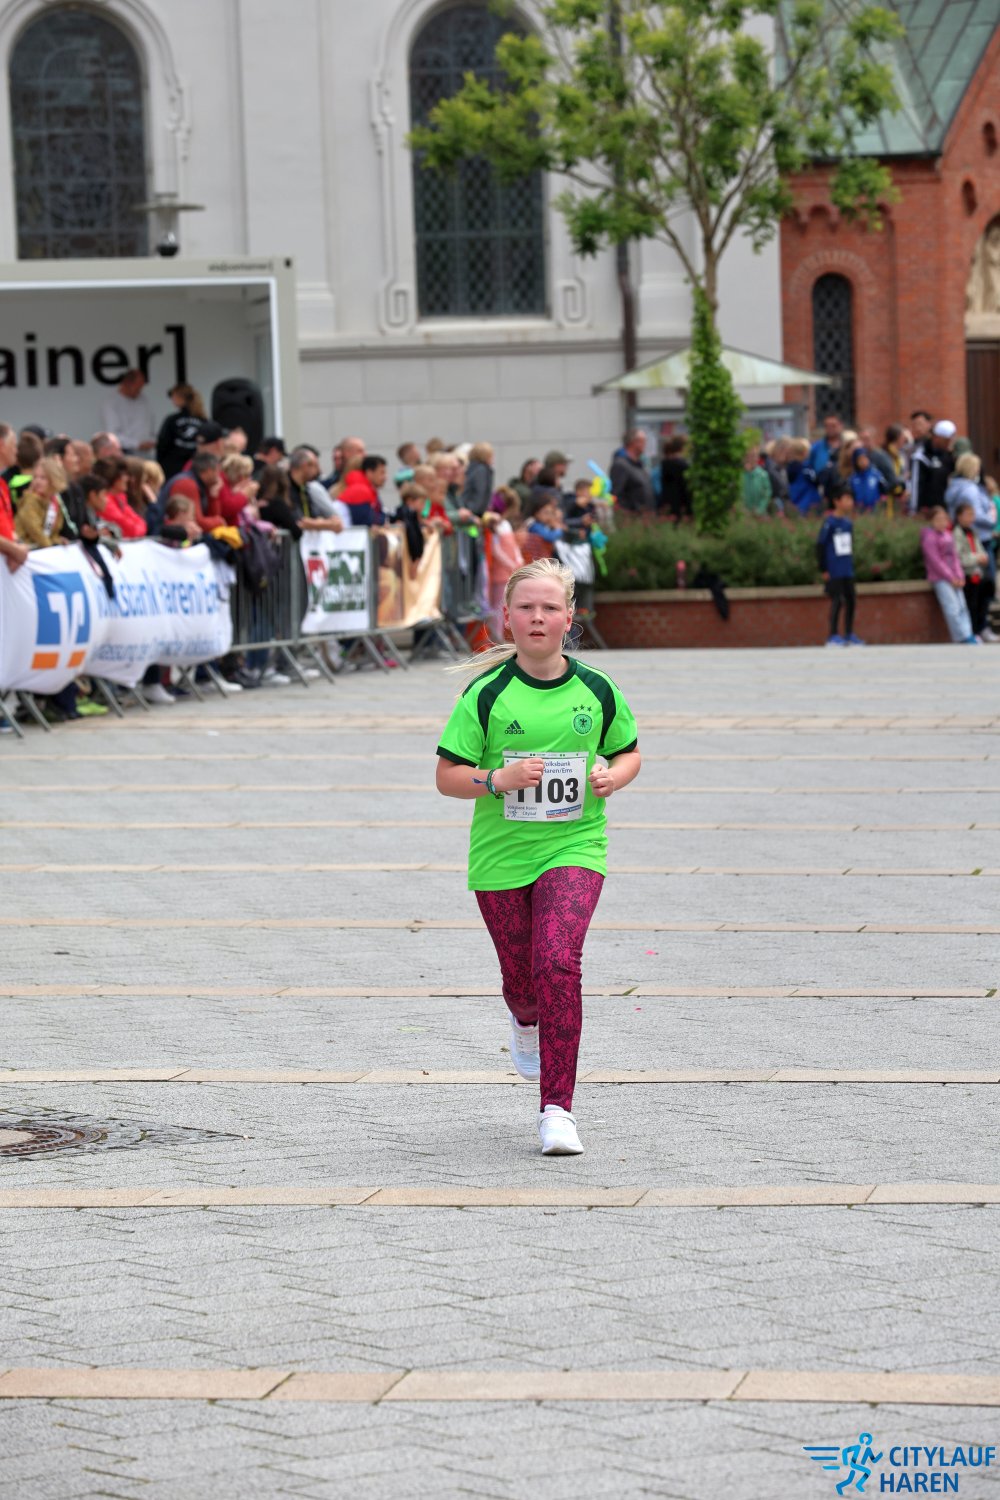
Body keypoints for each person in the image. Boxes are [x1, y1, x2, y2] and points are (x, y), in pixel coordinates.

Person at [434, 556, 641, 1156]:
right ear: (507, 617)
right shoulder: (487, 694)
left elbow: (629, 752)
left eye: (550, 607)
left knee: (557, 962)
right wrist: (497, 779)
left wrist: (613, 777)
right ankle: (523, 1018)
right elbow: (447, 777)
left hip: (575, 845)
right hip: (501, 857)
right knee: (523, 983)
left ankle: (558, 1111)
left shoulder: (598, 689)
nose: (538, 617)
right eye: (526, 607)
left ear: (569, 618)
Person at [921, 507, 976, 644]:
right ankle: (961, 637)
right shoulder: (929, 538)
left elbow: (955, 558)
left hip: (955, 578)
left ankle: (969, 633)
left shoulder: (948, 535)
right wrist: (951, 577)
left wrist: (960, 576)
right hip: (941, 578)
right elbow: (935, 562)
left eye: (944, 519)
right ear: (931, 521)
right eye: (937, 519)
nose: (941, 522)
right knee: (952, 608)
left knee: (962, 607)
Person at [816, 483, 862, 646]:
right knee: (838, 600)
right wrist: (824, 569)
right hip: (834, 570)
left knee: (851, 600)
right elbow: (820, 546)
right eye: (846, 498)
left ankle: (849, 633)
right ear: (837, 501)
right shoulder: (829, 523)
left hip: (847, 569)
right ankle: (833, 635)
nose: (850, 502)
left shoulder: (848, 524)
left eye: (851, 499)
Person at [952, 499, 997, 641]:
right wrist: (978, 558)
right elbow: (958, 557)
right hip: (966, 574)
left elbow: (980, 549)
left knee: (987, 591)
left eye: (972, 514)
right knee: (971, 604)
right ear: (959, 516)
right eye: (968, 514)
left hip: (978, 572)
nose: (971, 518)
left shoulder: (973, 531)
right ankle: (972, 631)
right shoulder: (956, 533)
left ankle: (982, 628)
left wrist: (983, 556)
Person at [15, 458, 69, 547]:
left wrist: (58, 540)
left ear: (54, 480)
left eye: (43, 478)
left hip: (41, 549)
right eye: (35, 477)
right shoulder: (30, 500)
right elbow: (35, 531)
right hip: (27, 549)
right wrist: (51, 547)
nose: (37, 481)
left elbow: (51, 534)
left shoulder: (54, 503)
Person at [156, 383, 207, 477]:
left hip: (173, 470)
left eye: (173, 396)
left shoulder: (172, 420)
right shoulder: (203, 420)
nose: (172, 399)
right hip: (198, 469)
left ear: (181, 397)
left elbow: (162, 445)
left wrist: (160, 466)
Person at [101, 368, 156, 453]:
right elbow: (113, 434)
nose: (139, 391)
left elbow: (149, 427)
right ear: (127, 383)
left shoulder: (143, 400)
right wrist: (137, 444)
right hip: (124, 452)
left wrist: (151, 441)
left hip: (145, 452)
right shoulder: (111, 403)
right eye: (137, 388)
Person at [910, 419, 956, 513]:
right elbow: (916, 486)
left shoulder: (948, 456)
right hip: (926, 510)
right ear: (937, 438)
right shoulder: (921, 457)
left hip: (944, 511)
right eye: (946, 440)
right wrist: (914, 510)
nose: (949, 443)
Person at [609, 430, 655, 514]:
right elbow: (616, 494)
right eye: (643, 441)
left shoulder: (639, 464)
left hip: (645, 516)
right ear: (633, 442)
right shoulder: (621, 465)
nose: (645, 444)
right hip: (632, 517)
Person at [340, 454, 387, 527]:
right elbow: (364, 523)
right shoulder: (359, 490)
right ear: (369, 473)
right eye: (382, 473)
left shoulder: (366, 489)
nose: (385, 477)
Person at [657, 435, 691, 521]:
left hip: (667, 508)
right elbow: (686, 491)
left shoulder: (665, 464)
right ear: (683, 448)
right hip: (681, 510)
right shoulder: (683, 467)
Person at [786, 438, 822, 514]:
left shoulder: (789, 466)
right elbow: (815, 480)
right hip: (809, 501)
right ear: (805, 452)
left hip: (795, 499)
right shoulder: (806, 468)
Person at [741, 444, 772, 515]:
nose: (751, 459)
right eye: (748, 456)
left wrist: (760, 510)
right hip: (742, 513)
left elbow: (767, 494)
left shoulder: (763, 475)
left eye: (754, 456)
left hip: (759, 513)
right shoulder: (740, 474)